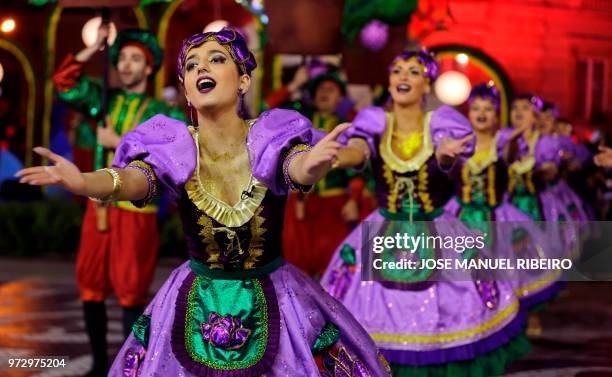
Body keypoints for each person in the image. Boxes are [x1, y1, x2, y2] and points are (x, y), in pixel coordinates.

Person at [19, 28, 390, 377]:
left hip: (279, 298)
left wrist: (311, 164)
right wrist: (85, 181)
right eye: (192, 65)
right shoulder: (172, 144)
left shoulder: (272, 135)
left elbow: (296, 167)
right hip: (196, 298)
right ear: (186, 88)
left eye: (216, 60)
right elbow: (132, 179)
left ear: (243, 80)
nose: (202, 69)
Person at [320, 50, 529, 375]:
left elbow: (447, 158)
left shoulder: (442, 123)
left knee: (445, 318)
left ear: (427, 83)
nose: (403, 77)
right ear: (389, 81)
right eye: (397, 71)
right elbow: (358, 152)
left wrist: (445, 156)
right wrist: (332, 157)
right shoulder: (374, 122)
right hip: (384, 230)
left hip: (437, 230)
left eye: (413, 72)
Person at [52, 26, 186, 376]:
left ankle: (131, 368)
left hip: (134, 214)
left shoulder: (160, 111)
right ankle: (98, 365)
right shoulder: (103, 99)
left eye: (135, 59)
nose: (126, 65)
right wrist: (92, 49)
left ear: (148, 68)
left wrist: (119, 139)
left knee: (131, 291)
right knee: (90, 286)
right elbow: (65, 82)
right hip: (99, 210)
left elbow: (173, 154)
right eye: (122, 58)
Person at [268, 67, 369, 277]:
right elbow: (265, 110)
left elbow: (359, 167)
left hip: (334, 206)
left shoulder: (349, 126)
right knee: (295, 268)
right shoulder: (299, 123)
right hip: (300, 205)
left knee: (333, 268)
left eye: (331, 89)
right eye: (320, 89)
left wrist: (354, 200)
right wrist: (293, 85)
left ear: (341, 96)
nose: (324, 92)